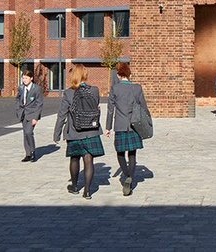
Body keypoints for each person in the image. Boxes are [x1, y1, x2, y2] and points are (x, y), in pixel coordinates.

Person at [53, 64, 104, 199]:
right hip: (91, 131)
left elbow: (62, 114)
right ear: (84, 75)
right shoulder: (94, 90)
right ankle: (87, 191)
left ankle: (75, 186)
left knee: (74, 159)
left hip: (75, 131)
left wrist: (57, 133)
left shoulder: (69, 93)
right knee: (89, 160)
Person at [106, 62, 149, 197]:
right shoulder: (137, 88)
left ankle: (126, 175)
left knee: (120, 153)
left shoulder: (115, 89)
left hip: (120, 124)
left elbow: (110, 110)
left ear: (119, 75)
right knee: (132, 154)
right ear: (129, 75)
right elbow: (143, 107)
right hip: (134, 125)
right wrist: (148, 123)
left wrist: (108, 127)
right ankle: (130, 177)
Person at [16, 70, 43, 162]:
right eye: (23, 78)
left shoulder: (36, 89)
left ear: (31, 78)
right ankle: (27, 154)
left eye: (26, 78)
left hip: (32, 114)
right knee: (25, 134)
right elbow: (18, 99)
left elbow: (39, 104)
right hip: (23, 114)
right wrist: (18, 109)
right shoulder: (21, 88)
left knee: (28, 132)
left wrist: (36, 117)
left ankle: (32, 152)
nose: (24, 80)